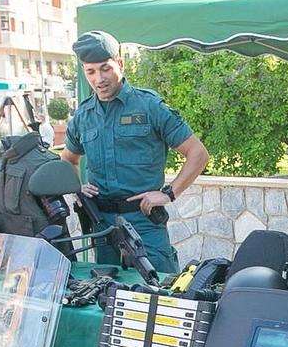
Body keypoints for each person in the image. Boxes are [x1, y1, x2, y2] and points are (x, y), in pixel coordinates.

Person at [64, 32, 209, 278]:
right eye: (90, 72)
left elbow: (198, 154)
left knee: (160, 294)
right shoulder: (83, 116)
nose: (99, 79)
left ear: (119, 64)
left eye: (105, 69)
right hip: (103, 225)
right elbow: (68, 159)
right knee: (107, 296)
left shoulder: (149, 106)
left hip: (143, 221)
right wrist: (77, 186)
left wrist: (169, 193)